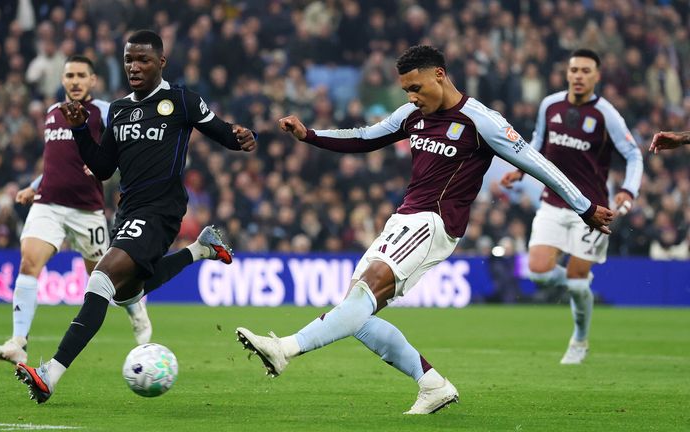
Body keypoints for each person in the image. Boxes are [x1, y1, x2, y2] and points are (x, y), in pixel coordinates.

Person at [235, 45, 613, 415]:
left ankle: (284, 349)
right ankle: (432, 384)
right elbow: (366, 138)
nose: (412, 97)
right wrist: (310, 135)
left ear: (440, 75)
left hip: (435, 223)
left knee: (364, 294)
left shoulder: (482, 121)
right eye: (406, 91)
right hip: (403, 220)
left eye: (417, 88)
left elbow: (536, 162)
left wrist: (583, 207)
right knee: (356, 312)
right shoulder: (411, 115)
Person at [14, 30, 257, 403]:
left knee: (101, 279)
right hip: (127, 211)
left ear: (161, 62)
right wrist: (80, 130)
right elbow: (103, 168)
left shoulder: (181, 101)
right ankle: (201, 249)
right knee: (130, 290)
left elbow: (223, 133)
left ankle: (51, 373)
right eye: (129, 60)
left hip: (161, 210)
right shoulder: (121, 110)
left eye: (143, 59)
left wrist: (242, 136)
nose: (134, 67)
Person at [0, 55, 154, 365]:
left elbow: (128, 143)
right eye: (70, 76)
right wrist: (34, 184)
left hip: (86, 210)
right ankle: (18, 341)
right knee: (29, 261)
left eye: (81, 75)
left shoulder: (105, 111)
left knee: (106, 278)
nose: (75, 81)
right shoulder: (53, 113)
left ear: (93, 80)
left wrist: (109, 165)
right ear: (63, 80)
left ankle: (136, 309)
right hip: (48, 203)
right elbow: (57, 160)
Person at [500, 49, 643, 364]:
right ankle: (580, 284)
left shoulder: (607, 115)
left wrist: (628, 190)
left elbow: (633, 154)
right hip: (552, 202)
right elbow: (537, 143)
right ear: (567, 74)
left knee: (578, 282)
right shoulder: (549, 105)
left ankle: (579, 339)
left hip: (592, 210)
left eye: (585, 71)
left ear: (597, 76)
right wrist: (520, 169)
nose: (578, 75)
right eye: (574, 70)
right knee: (538, 273)